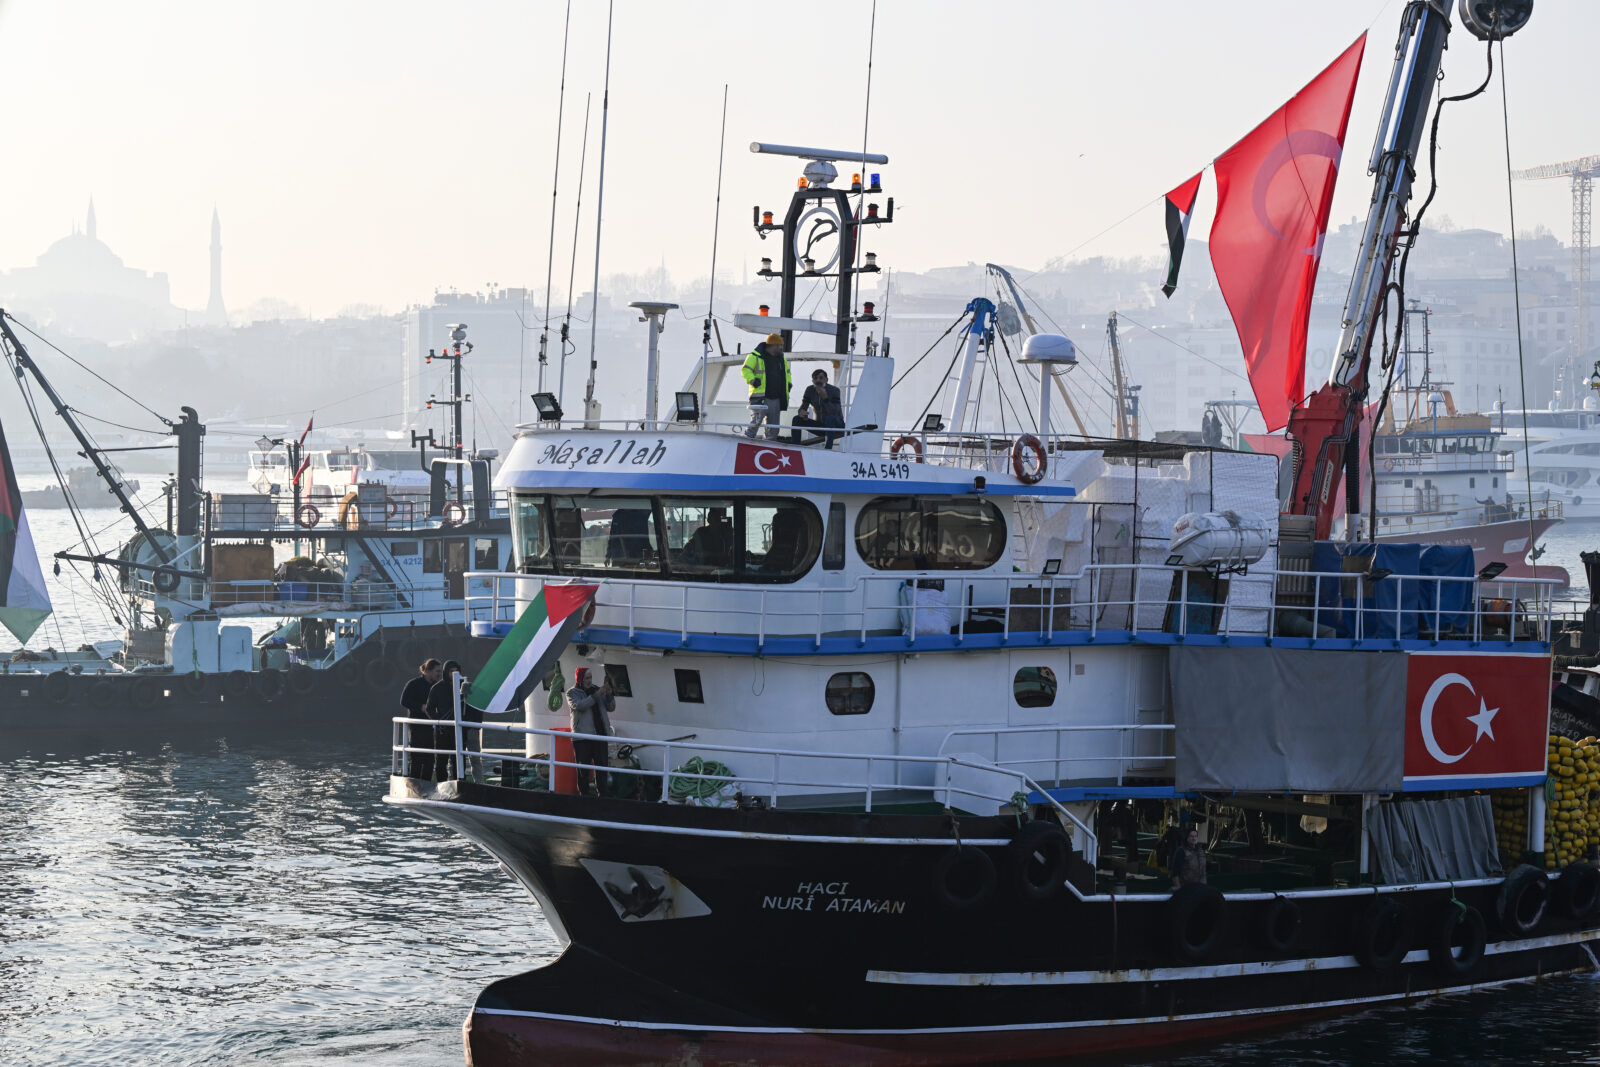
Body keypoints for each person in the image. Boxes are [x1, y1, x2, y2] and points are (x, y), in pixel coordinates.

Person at [566, 666, 616, 796]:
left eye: (591, 677)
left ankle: (603, 796)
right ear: (580, 678)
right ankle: (584, 796)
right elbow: (580, 706)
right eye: (587, 678)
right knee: (583, 770)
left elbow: (611, 708)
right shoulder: (572, 693)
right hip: (582, 737)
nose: (589, 680)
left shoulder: (596, 690)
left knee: (602, 769)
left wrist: (609, 695)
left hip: (600, 736)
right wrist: (597, 695)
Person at [423, 660, 475, 781]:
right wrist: (438, 721)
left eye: (456, 671)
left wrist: (467, 723)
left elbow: (471, 706)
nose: (454, 673)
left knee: (459, 759)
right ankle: (442, 784)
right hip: (443, 730)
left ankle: (460, 781)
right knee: (441, 761)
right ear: (446, 672)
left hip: (460, 729)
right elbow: (429, 708)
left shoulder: (465, 686)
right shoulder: (437, 688)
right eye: (451, 671)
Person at [742, 333, 792, 440]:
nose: (781, 348)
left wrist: (789, 384)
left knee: (773, 428)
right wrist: (753, 380)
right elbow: (745, 370)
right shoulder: (754, 356)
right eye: (779, 345)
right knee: (755, 423)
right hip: (760, 397)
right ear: (773, 345)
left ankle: (770, 445)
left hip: (776, 399)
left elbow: (787, 374)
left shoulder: (782, 359)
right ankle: (746, 442)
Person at [400, 658, 443, 778]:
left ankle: (427, 783)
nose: (440, 674)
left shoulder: (438, 686)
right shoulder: (413, 684)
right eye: (437, 671)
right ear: (427, 671)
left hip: (432, 725)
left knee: (430, 758)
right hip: (417, 725)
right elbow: (404, 701)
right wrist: (421, 707)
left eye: (440, 671)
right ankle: (414, 782)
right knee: (417, 756)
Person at [791, 368, 845, 448]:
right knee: (796, 419)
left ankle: (828, 449)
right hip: (820, 426)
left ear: (826, 379)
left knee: (830, 418)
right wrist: (802, 413)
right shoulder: (810, 390)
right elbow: (803, 406)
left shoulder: (834, 390)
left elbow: (835, 412)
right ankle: (795, 448)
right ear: (813, 381)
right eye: (815, 378)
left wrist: (825, 398)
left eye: (821, 378)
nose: (818, 380)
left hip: (836, 426)